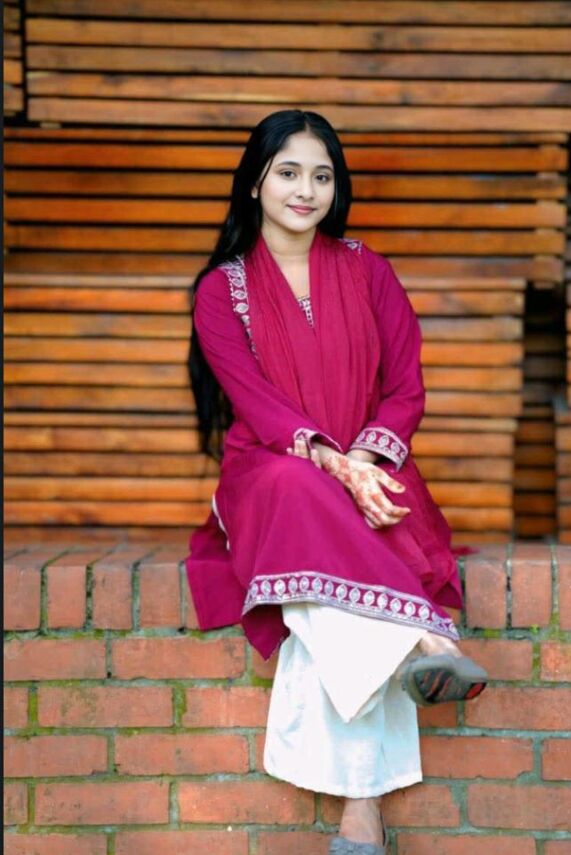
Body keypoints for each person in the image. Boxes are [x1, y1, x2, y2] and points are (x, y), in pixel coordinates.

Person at [185, 109, 487, 853]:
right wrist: (331, 463)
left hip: (376, 468)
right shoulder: (221, 290)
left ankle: (361, 814)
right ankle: (421, 636)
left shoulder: (367, 269)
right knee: (302, 494)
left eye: (321, 175)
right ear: (254, 183)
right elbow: (255, 402)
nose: (306, 189)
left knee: (327, 600)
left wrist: (366, 464)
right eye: (288, 172)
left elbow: (406, 386)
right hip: (271, 471)